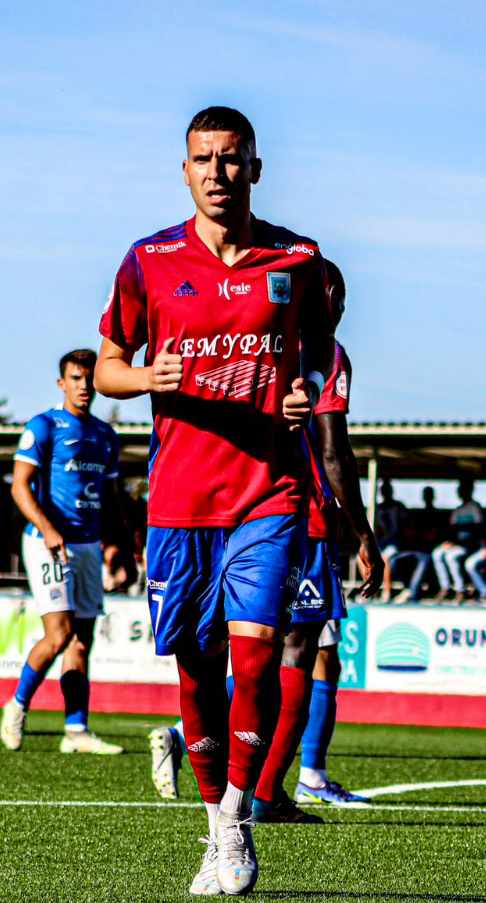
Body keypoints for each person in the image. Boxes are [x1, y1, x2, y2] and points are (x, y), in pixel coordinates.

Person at [93, 106, 334, 897]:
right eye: (204, 159)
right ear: (185, 169)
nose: (218, 173)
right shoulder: (147, 261)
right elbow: (107, 369)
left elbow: (320, 351)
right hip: (179, 499)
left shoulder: (296, 260)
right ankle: (213, 822)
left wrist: (303, 392)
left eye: (233, 159)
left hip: (269, 490)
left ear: (256, 167)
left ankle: (236, 823)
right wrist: (147, 380)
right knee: (197, 673)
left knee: (258, 650)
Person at [152, 261, 384, 822]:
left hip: (254, 509)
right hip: (295, 515)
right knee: (300, 655)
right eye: (338, 300)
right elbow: (333, 450)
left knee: (280, 653)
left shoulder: (257, 339)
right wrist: (364, 534)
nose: (340, 310)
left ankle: (271, 775)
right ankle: (262, 789)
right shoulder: (319, 355)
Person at [0, 349, 125, 756]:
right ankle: (17, 706)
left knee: (81, 643)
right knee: (59, 636)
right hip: (47, 543)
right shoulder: (44, 426)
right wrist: (49, 529)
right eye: (76, 379)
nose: (84, 387)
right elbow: (19, 487)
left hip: (88, 546)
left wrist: (117, 547)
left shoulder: (106, 436)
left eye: (90, 379)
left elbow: (112, 499)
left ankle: (76, 730)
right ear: (62, 383)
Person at [384, 486, 438, 603]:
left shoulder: (436, 515)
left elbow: (431, 536)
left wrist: (419, 533)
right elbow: (408, 533)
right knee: (394, 561)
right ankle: (408, 588)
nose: (427, 498)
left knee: (424, 560)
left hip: (428, 552)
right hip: (411, 550)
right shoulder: (419, 514)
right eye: (426, 495)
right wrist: (420, 533)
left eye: (429, 495)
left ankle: (413, 593)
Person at [432, 478, 484, 600]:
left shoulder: (475, 507)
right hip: (457, 544)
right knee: (437, 553)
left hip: (470, 545)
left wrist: (458, 542)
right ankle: (446, 587)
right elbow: (452, 530)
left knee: (451, 556)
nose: (460, 493)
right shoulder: (458, 509)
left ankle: (461, 589)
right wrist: (449, 541)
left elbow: (477, 529)